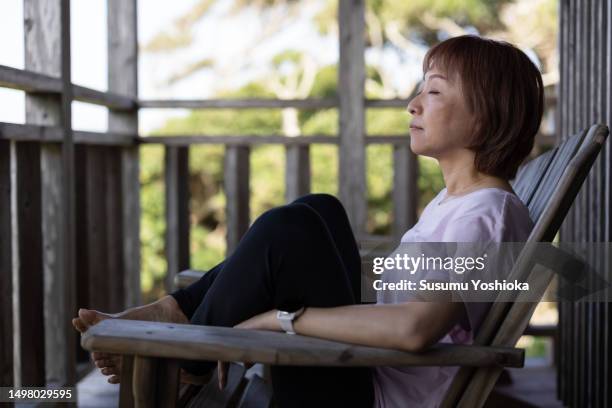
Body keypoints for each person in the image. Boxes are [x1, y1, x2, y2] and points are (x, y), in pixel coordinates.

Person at [72, 34, 543, 408]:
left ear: (484, 119)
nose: (413, 105)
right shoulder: (455, 202)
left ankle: (188, 362)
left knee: (290, 232)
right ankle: (179, 313)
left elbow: (414, 329)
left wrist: (282, 322)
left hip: (375, 393)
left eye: (434, 91)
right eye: (420, 89)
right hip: (365, 371)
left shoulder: (485, 215)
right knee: (321, 210)